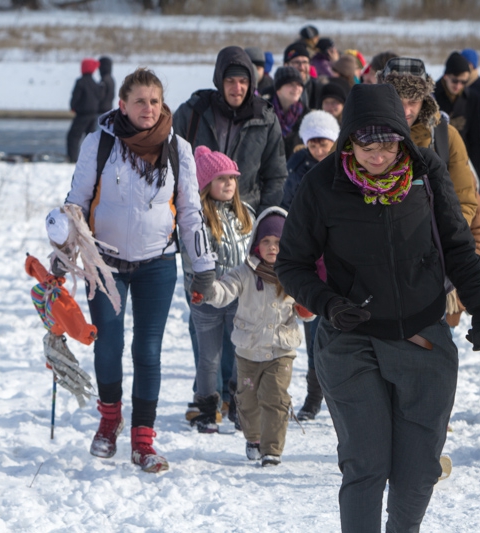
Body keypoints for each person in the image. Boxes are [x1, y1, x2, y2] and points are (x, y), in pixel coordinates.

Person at [274, 83, 480, 532]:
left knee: (417, 474)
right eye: (365, 145)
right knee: (367, 465)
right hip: (351, 338)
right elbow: (291, 265)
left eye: (388, 143)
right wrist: (329, 303)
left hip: (422, 337)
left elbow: (457, 245)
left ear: (403, 135)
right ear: (349, 140)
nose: (377, 155)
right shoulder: (323, 184)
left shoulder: (426, 172)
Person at [63, 67, 216, 473]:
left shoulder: (178, 148)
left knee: (147, 352)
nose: (148, 109)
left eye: (154, 101)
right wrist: (62, 252)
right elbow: (75, 203)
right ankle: (110, 420)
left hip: (157, 264)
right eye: (139, 102)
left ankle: (143, 439)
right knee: (108, 345)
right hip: (104, 266)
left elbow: (190, 213)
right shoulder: (99, 143)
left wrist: (202, 268)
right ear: (122, 105)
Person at [196, 206, 309, 467]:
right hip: (248, 352)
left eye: (278, 243)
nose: (272, 247)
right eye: (266, 241)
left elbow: (307, 307)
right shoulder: (244, 272)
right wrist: (208, 289)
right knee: (247, 401)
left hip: (280, 351)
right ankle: (254, 438)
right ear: (256, 244)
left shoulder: (294, 275)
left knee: (275, 397)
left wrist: (308, 308)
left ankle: (272, 450)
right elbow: (225, 290)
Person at [378, 56, 480, 327]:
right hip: (373, 267)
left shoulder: (446, 137)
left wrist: (442, 239)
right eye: (397, 99)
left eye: (413, 101)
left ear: (425, 100)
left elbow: (466, 201)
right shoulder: (357, 134)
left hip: (433, 269)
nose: (405, 109)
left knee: (430, 354)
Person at [182, 145, 256, 434]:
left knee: (240, 353)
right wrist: (207, 288)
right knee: (209, 356)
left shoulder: (246, 213)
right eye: (221, 179)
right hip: (207, 300)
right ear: (206, 185)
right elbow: (192, 259)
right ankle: (206, 406)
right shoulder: (195, 217)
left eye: (232, 178)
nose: (229, 184)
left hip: (240, 297)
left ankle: (239, 404)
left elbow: (254, 253)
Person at [173, 45, 287, 214]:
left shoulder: (265, 120)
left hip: (245, 216)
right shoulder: (192, 113)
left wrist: (261, 217)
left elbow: (276, 176)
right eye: (230, 81)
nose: (237, 88)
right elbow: (173, 165)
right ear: (220, 81)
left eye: (243, 81)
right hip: (197, 214)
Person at [280, 110, 340, 421]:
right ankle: (314, 395)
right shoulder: (296, 173)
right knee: (314, 333)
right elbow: (287, 211)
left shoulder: (344, 169)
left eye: (324, 143)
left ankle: (341, 394)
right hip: (310, 261)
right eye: (313, 144)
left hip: (339, 260)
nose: (319, 150)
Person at [435, 51, 480, 174]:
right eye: (455, 81)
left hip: (462, 156)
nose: (458, 85)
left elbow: (474, 137)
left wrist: (475, 170)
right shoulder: (432, 95)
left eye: (463, 82)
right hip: (437, 157)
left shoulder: (472, 98)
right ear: (446, 76)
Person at [67, 58, 102, 163]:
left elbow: (75, 97)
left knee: (73, 137)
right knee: (90, 139)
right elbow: (100, 97)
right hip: (93, 115)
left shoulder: (80, 82)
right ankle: (90, 160)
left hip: (82, 115)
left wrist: (73, 107)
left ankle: (73, 159)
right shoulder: (95, 83)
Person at [270, 66, 309, 158]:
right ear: (278, 90)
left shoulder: (308, 116)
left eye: (299, 84)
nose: (296, 88)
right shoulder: (265, 113)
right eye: (290, 84)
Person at [278, 42, 322, 110]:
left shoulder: (319, 89)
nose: (301, 67)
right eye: (296, 62)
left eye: (305, 62)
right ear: (286, 65)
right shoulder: (275, 90)